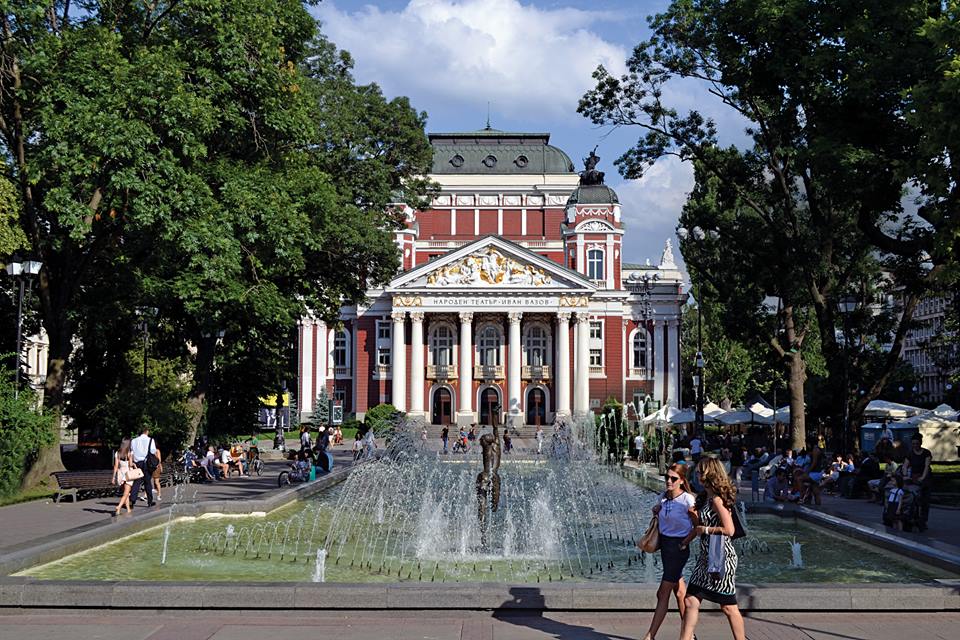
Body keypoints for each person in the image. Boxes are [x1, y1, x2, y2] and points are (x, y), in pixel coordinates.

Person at [680, 457, 745, 640]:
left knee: (728, 606)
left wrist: (705, 529)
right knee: (690, 600)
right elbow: (698, 528)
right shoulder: (704, 497)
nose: (697, 474)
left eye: (700, 471)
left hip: (721, 557)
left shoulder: (717, 500)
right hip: (705, 557)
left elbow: (729, 530)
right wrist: (684, 542)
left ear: (710, 473)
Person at [641, 463, 698, 640]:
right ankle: (689, 635)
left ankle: (650, 636)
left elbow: (697, 526)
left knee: (662, 593)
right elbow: (661, 520)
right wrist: (655, 511)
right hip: (665, 547)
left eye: (674, 478)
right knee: (680, 593)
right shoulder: (663, 498)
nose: (669, 481)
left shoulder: (688, 499)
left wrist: (685, 542)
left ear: (681, 481)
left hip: (678, 549)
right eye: (667, 477)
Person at [902, 433, 932, 531]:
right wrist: (905, 475)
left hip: (925, 477)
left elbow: (927, 466)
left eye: (917, 444)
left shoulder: (926, 453)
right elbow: (905, 465)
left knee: (924, 501)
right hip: (914, 477)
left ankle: (923, 521)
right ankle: (914, 518)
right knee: (913, 498)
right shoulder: (910, 453)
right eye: (913, 444)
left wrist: (923, 477)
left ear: (921, 443)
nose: (915, 446)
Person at [129, 426, 158, 508]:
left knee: (137, 482)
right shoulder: (150, 440)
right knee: (147, 482)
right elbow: (153, 451)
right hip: (147, 463)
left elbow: (132, 452)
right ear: (146, 431)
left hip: (137, 463)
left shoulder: (134, 441)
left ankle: (132, 500)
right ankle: (149, 501)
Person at [112, 438, 135, 515]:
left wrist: (113, 477)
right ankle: (119, 507)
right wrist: (134, 464)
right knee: (126, 493)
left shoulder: (117, 453)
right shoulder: (129, 453)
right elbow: (130, 464)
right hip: (128, 473)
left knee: (126, 493)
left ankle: (128, 509)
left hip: (120, 473)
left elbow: (115, 466)